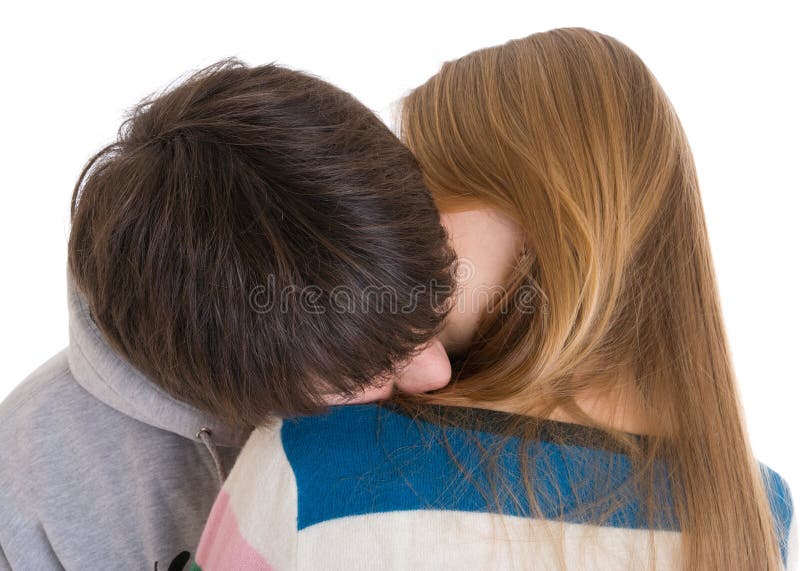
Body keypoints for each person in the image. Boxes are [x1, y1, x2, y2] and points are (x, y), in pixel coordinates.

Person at [191, 28, 797, 570]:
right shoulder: (755, 511)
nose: (399, 234)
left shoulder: (318, 459)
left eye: (420, 200)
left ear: (542, 215)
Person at [0, 59, 457, 569]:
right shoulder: (24, 483)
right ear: (236, 367)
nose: (439, 370)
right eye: (377, 362)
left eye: (431, 315)